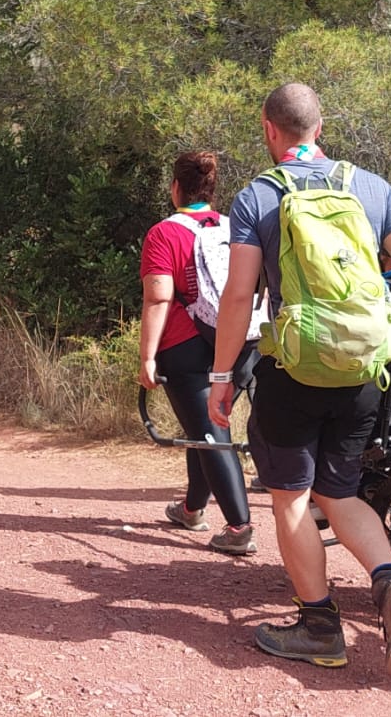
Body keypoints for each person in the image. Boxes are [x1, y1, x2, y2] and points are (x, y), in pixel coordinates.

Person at [206, 82, 391, 675]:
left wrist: (222, 376)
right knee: (339, 491)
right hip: (362, 371)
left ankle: (320, 627)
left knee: (292, 497)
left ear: (269, 130)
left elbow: (239, 296)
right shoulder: (370, 186)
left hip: (294, 370)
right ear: (320, 128)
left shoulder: (258, 196)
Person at [138, 151, 256, 556]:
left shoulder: (164, 233)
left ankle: (239, 527)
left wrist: (147, 356)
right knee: (203, 427)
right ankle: (191, 509)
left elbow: (158, 298)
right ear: (211, 190)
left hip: (186, 345)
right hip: (241, 341)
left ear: (175, 188)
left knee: (211, 433)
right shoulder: (234, 226)